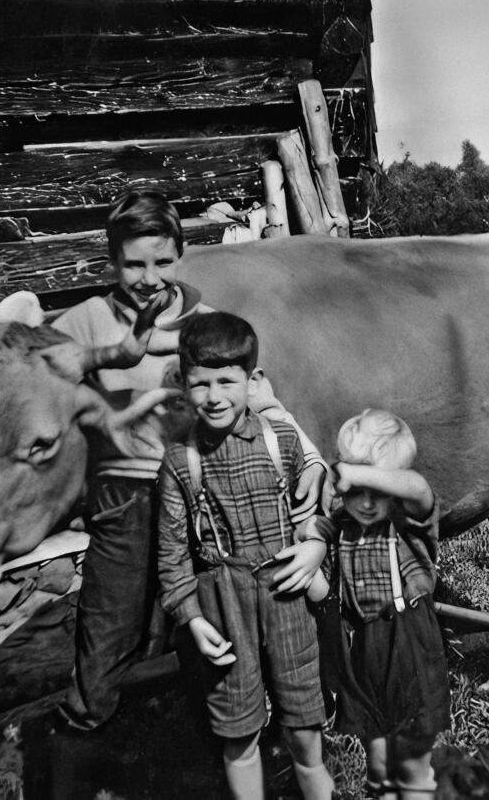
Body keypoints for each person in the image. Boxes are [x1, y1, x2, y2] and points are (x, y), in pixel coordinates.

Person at [52, 190, 323, 733]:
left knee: (211, 602)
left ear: (180, 255)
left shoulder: (206, 322)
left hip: (206, 485)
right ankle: (88, 722)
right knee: (111, 614)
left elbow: (261, 398)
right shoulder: (84, 323)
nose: (149, 277)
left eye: (162, 261)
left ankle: (211, 713)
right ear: (112, 262)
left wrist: (311, 457)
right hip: (124, 494)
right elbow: (40, 388)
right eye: (133, 264)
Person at [157, 312, 334, 799]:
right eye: (200, 384)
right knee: (238, 736)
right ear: (184, 386)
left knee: (305, 732)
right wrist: (190, 617)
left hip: (288, 598)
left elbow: (317, 512)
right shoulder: (180, 461)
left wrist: (316, 546)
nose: (214, 397)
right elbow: (172, 553)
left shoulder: (282, 441)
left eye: (227, 382)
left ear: (251, 380)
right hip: (223, 606)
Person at [307, 409, 450, 800]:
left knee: (411, 748)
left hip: (407, 639)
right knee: (377, 744)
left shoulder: (409, 521)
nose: (367, 503)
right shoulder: (341, 523)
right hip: (361, 640)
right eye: (356, 492)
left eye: (378, 490)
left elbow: (419, 488)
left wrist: (356, 476)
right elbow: (314, 531)